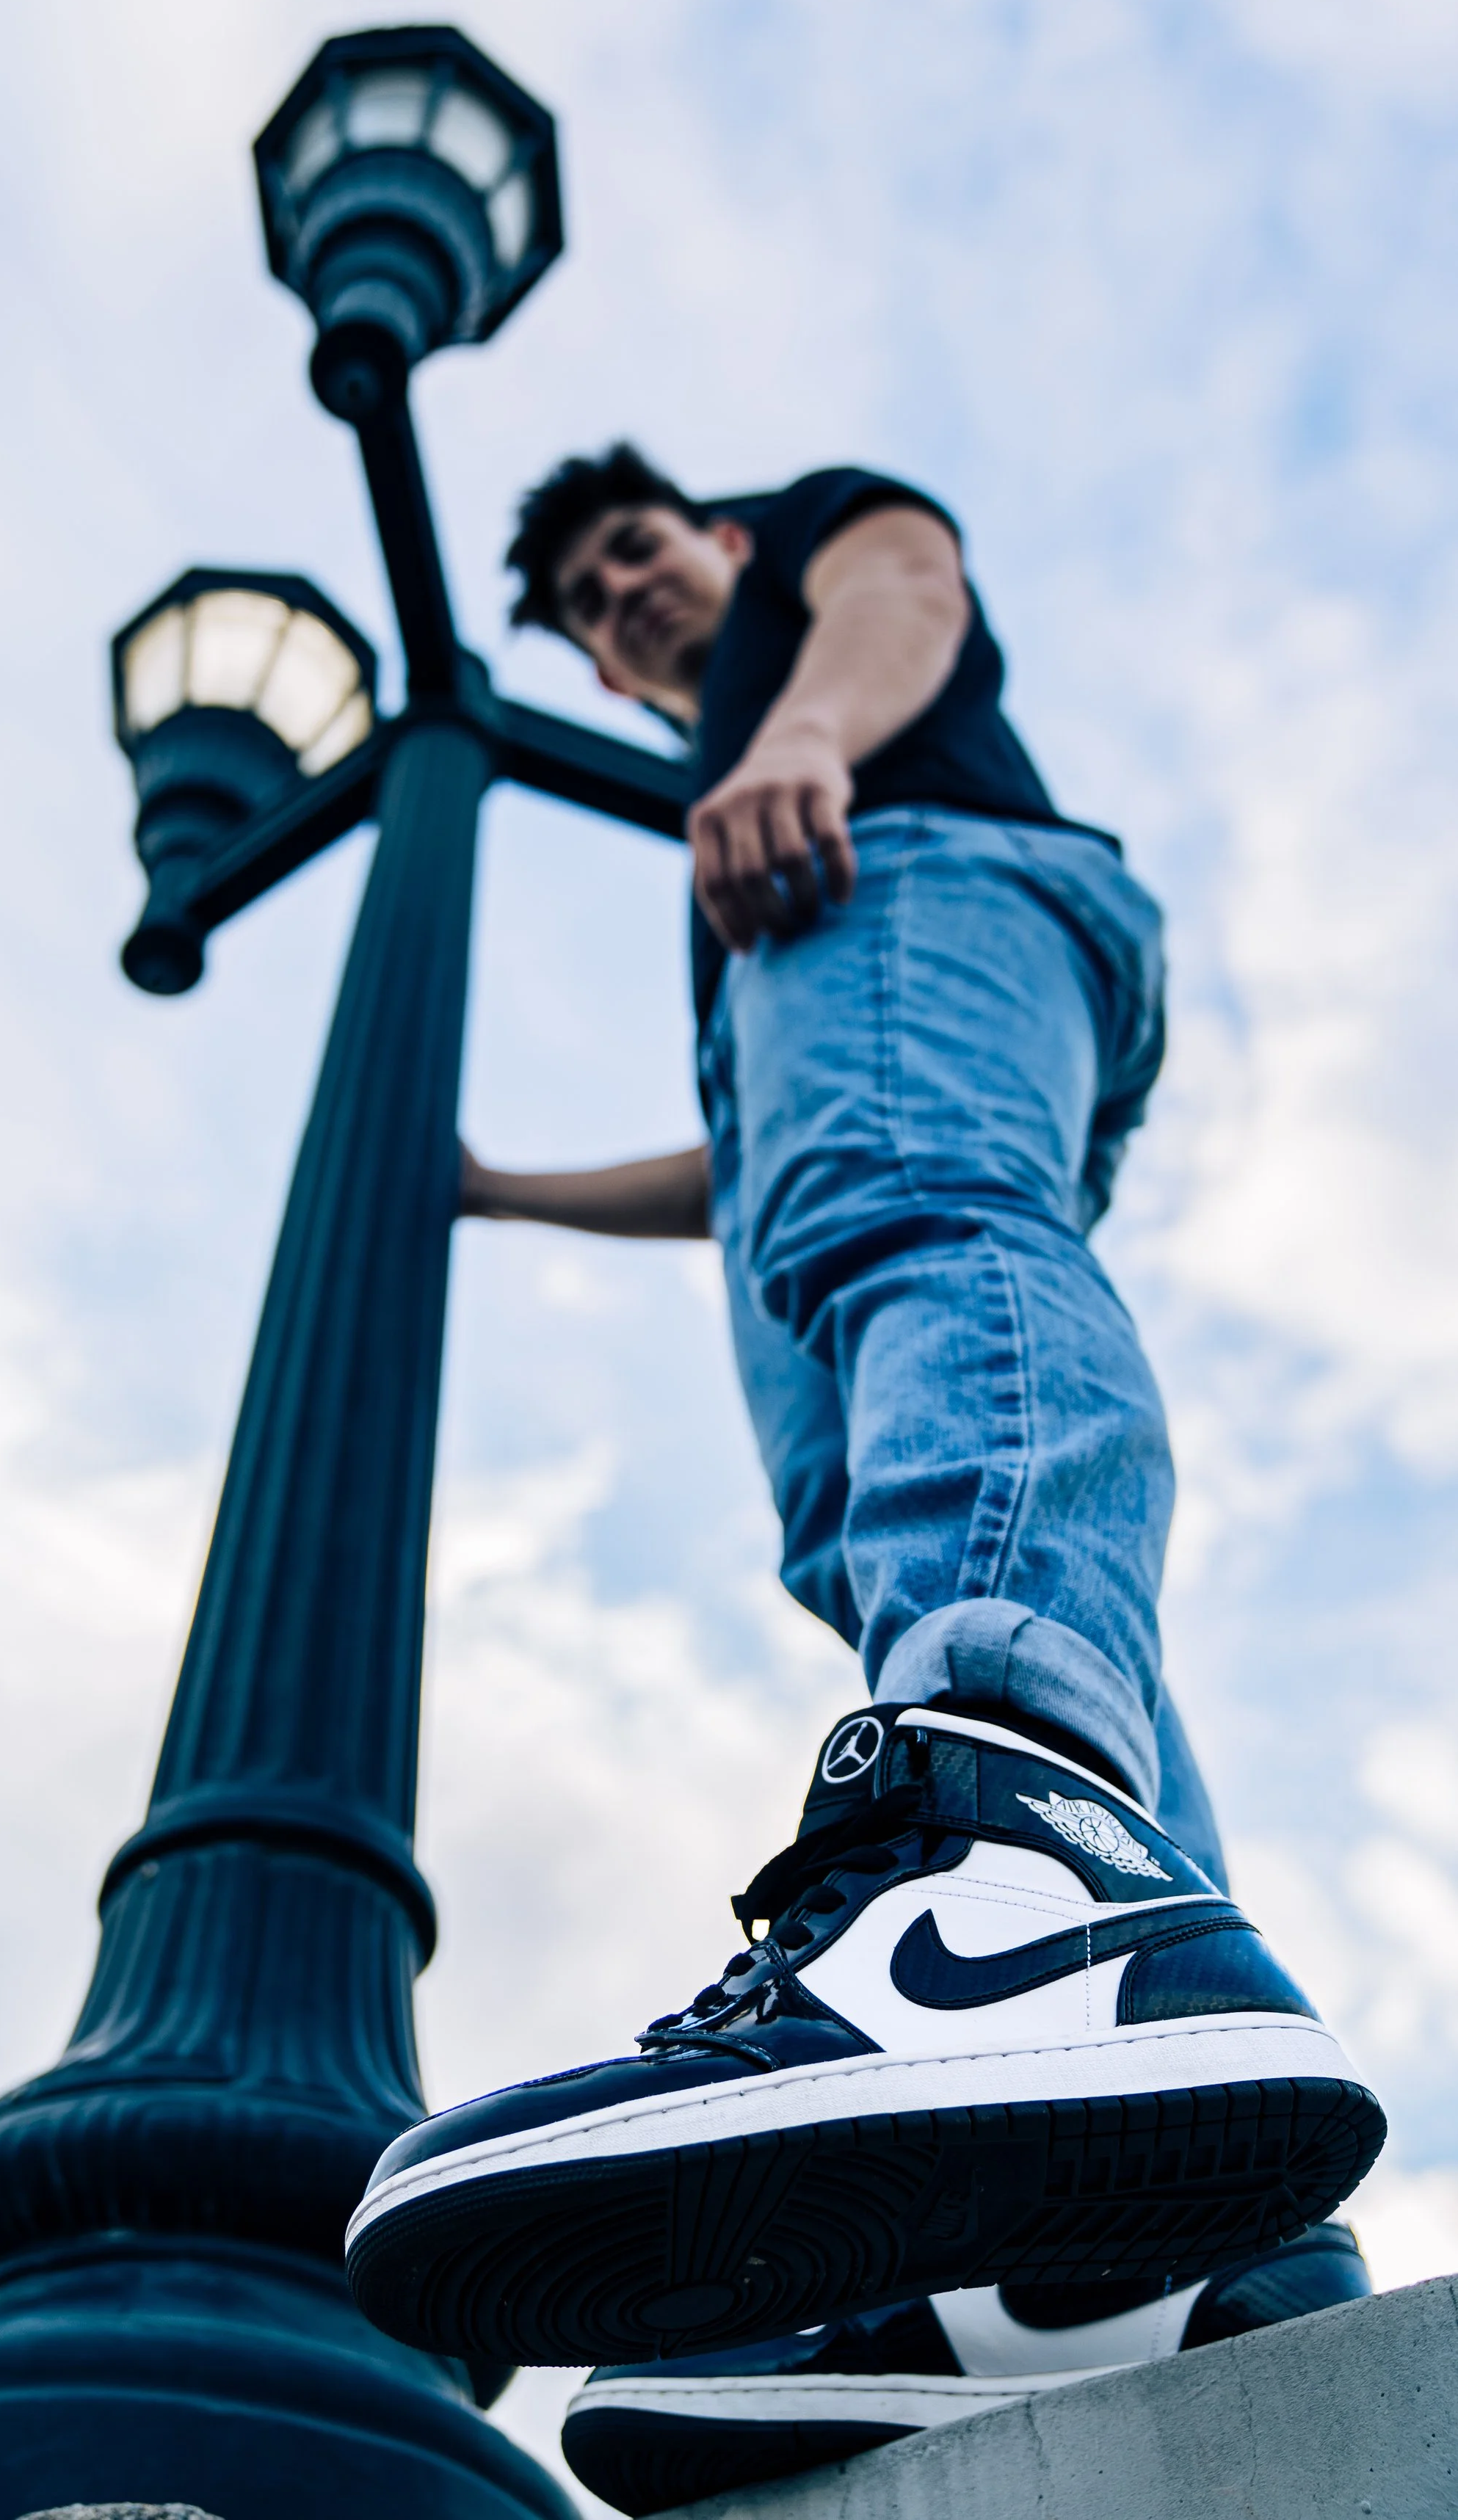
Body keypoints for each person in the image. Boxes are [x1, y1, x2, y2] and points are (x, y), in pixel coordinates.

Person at [343, 448, 1382, 2499]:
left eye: (631, 553)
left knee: (923, 1244)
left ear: (723, 538)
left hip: (925, 874)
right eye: (578, 603)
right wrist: (497, 1193)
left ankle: (1013, 1898)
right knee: (872, 1521)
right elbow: (750, 1166)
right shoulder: (756, 809)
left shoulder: (824, 611)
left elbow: (907, 580)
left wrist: (807, 726)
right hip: (838, 991)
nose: (615, 599)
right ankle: (1152, 2234)